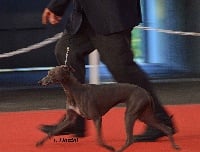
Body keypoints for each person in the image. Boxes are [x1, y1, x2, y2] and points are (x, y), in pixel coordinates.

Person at [40, 0, 176, 141]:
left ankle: (159, 119)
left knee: (122, 68)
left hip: (110, 13)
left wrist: (57, 6)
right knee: (66, 51)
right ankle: (75, 118)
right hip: (85, 16)